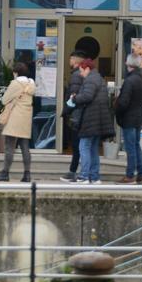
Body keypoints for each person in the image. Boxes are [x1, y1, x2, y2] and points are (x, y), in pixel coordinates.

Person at [70, 58, 114, 184]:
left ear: (87, 69)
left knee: (83, 146)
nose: (80, 74)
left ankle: (84, 176)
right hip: (98, 120)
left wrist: (75, 98)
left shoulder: (90, 80)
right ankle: (94, 177)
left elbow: (87, 96)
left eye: (81, 71)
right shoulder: (99, 78)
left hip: (91, 119)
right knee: (93, 148)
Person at [0, 62, 35, 182]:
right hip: (26, 118)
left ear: (16, 72)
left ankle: (5, 173)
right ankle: (27, 174)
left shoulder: (15, 83)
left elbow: (5, 100)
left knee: (9, 147)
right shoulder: (31, 84)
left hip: (15, 117)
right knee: (25, 147)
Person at [115, 54, 142, 184]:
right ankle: (141, 174)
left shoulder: (129, 81)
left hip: (129, 118)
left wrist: (116, 108)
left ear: (128, 64)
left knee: (130, 147)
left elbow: (123, 102)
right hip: (138, 117)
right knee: (136, 145)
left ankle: (130, 175)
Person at [60, 51, 86, 183]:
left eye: (70, 59)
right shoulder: (79, 75)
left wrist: (66, 111)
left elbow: (73, 97)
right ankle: (77, 170)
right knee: (80, 145)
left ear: (76, 61)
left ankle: (73, 171)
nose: (69, 61)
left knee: (77, 145)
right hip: (79, 114)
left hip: (76, 115)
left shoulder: (76, 76)